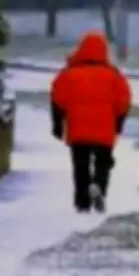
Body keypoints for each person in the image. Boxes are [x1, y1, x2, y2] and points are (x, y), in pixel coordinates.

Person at [50, 32, 132, 213]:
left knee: (80, 165)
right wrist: (119, 123)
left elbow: (57, 99)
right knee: (103, 161)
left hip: (78, 129)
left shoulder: (69, 74)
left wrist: (57, 124)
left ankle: (82, 201)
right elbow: (124, 101)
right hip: (104, 129)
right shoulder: (113, 75)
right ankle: (99, 186)